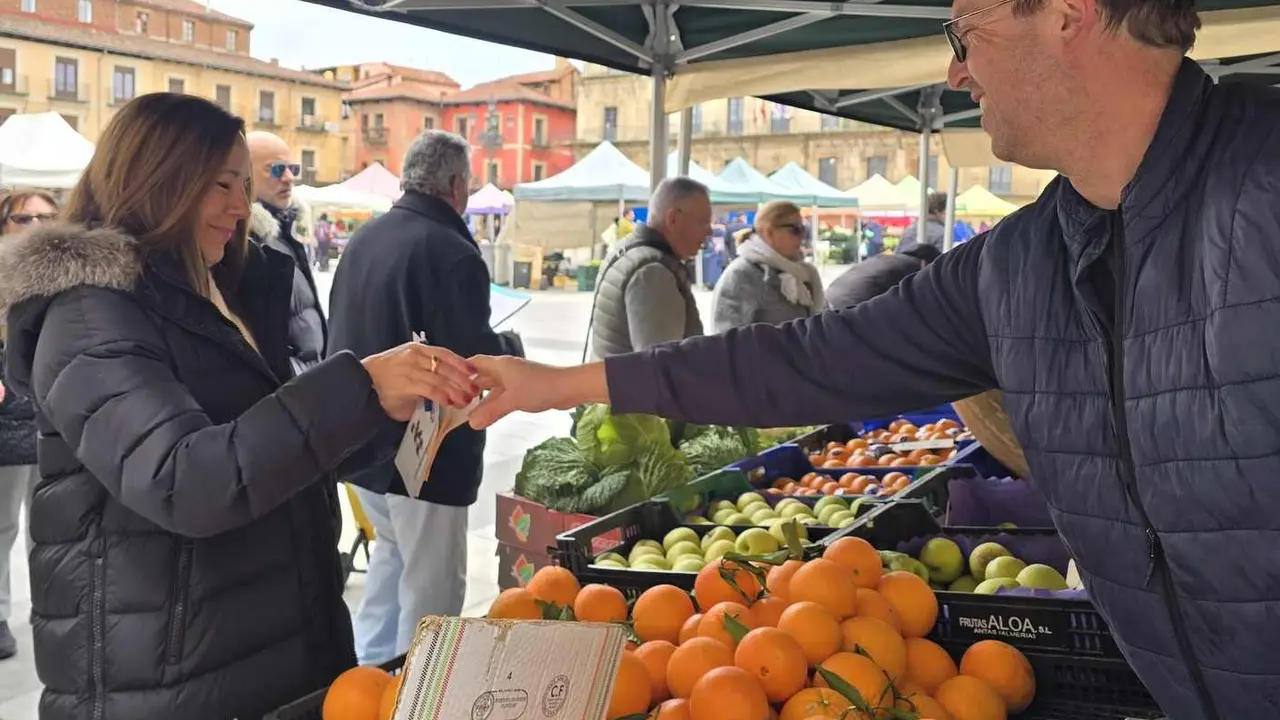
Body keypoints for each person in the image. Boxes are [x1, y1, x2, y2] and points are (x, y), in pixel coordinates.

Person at [462, 0, 1280, 715]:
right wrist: (561, 383)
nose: (956, 71)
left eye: (966, 31)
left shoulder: (1264, 187)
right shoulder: (1017, 266)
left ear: (1069, 11)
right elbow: (808, 361)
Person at [0, 93, 477, 720]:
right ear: (156, 177)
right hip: (165, 675)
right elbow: (187, 480)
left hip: (271, 642)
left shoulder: (225, 290)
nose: (238, 205)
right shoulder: (90, 315)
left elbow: (274, 447)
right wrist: (357, 387)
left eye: (243, 185)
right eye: (220, 184)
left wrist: (394, 412)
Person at [328, 130, 524, 665]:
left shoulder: (367, 238)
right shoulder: (451, 251)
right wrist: (507, 345)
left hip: (363, 441)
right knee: (433, 597)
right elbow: (467, 363)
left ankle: (370, 686)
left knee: (390, 573)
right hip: (426, 455)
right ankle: (420, 693)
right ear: (457, 184)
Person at [0, 188, 57, 662]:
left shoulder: (69, 277)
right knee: (2, 528)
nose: (36, 228)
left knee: (52, 526)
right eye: (24, 219)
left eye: (47, 219)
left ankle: (51, 607)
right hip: (5, 422)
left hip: (54, 420)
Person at [589, 177, 711, 359]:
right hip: (627, 387)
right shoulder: (654, 274)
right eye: (703, 222)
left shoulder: (627, 249)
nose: (709, 231)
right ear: (673, 218)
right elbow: (660, 369)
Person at [246, 131, 326, 375]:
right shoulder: (242, 241)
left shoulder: (290, 231)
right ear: (244, 174)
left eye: (293, 169)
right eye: (277, 169)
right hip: (291, 387)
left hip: (310, 379)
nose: (289, 178)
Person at [711, 201, 824, 333]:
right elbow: (726, 340)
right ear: (769, 232)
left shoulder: (805, 273)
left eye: (803, 229)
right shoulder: (741, 275)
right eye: (795, 230)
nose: (801, 237)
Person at [825, 243, 941, 310]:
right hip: (850, 307)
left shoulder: (885, 258)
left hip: (828, 300)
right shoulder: (912, 267)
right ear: (927, 263)